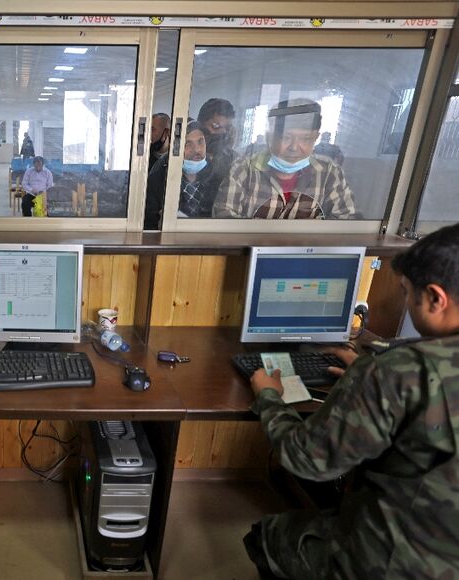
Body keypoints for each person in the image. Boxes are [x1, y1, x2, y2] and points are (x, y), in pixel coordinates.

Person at [242, 223, 459, 579]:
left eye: (407, 292)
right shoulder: (396, 372)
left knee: (268, 537)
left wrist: (269, 396)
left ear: (436, 298)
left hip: (399, 564)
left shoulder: (397, 370)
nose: (405, 301)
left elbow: (306, 460)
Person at [212, 99, 357, 219]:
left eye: (305, 139)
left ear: (315, 138)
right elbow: (224, 216)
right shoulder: (245, 169)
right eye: (286, 138)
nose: (294, 147)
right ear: (270, 138)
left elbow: (346, 221)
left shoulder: (329, 172)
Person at [145, 121, 219, 229]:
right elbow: (149, 224)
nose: (197, 149)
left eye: (200, 142)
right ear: (175, 148)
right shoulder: (159, 178)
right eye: (188, 144)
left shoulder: (217, 176)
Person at [197, 98, 236, 187]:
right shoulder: (185, 156)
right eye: (215, 126)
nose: (222, 133)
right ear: (200, 125)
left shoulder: (234, 161)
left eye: (227, 128)